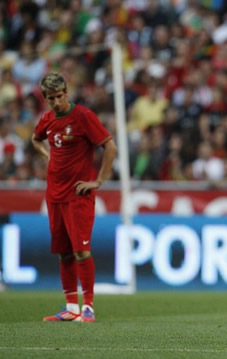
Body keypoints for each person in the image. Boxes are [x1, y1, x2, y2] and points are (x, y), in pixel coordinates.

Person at [31, 72, 117, 322]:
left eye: (59, 96)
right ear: (45, 99)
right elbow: (35, 139)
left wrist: (98, 181)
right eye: (51, 98)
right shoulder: (47, 119)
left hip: (78, 194)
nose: (56, 102)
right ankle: (71, 307)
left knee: (81, 251)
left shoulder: (83, 117)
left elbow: (110, 147)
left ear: (66, 93)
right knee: (64, 252)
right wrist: (47, 155)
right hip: (54, 195)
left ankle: (88, 307)